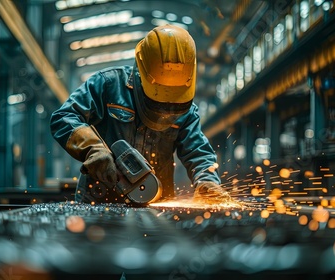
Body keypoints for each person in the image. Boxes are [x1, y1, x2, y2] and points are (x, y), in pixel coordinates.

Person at [50, 24, 230, 204]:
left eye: (173, 107)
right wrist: (92, 149)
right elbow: (64, 117)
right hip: (100, 200)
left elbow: (198, 153)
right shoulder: (108, 85)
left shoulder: (186, 109)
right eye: (158, 102)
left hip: (156, 204)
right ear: (143, 73)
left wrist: (207, 182)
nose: (165, 111)